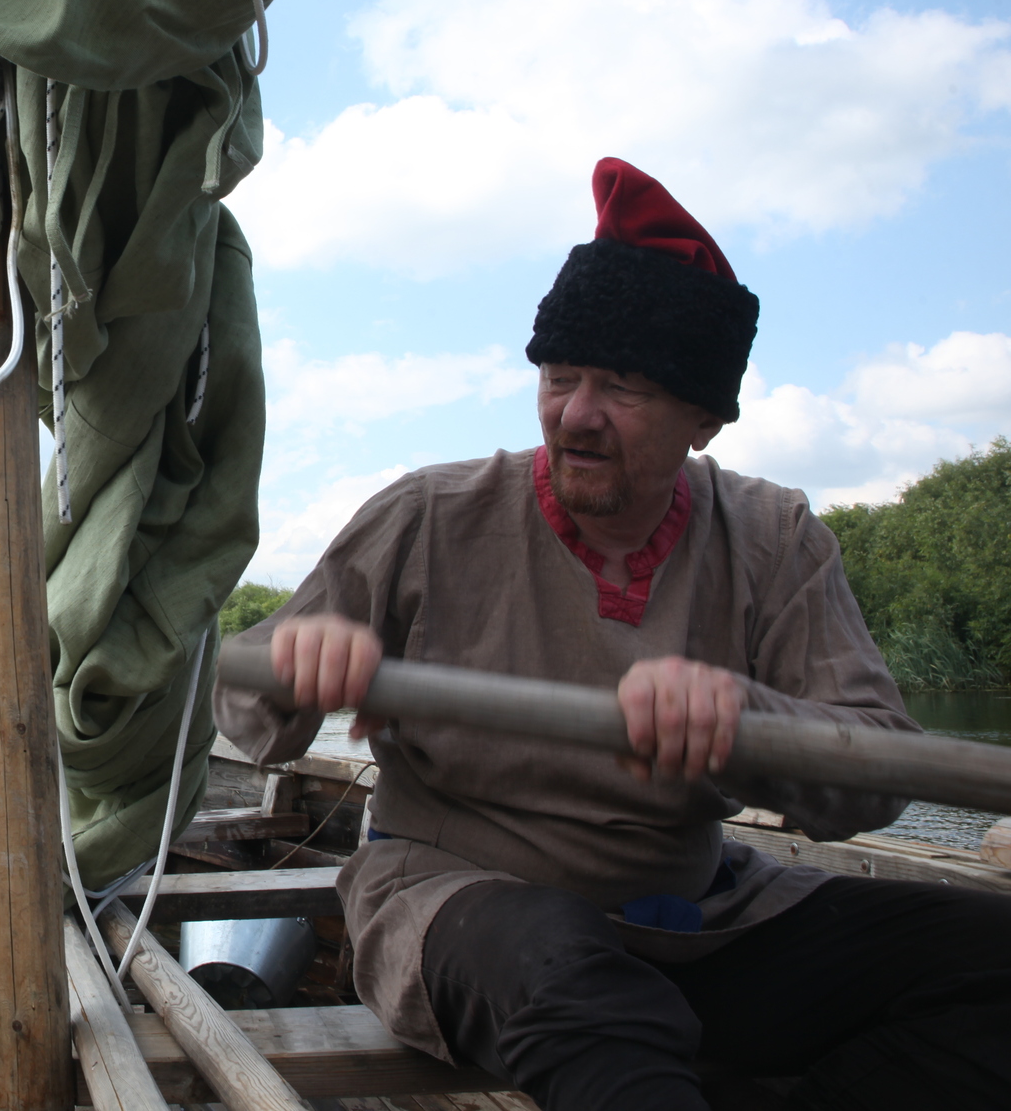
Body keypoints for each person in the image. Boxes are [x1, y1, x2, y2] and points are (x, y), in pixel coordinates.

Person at [214, 161, 1011, 1111]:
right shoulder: (429, 514)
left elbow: (877, 775)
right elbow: (244, 710)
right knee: (575, 978)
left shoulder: (775, 536)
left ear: (703, 418)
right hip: (459, 901)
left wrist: (749, 720)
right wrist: (294, 676)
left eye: (622, 386)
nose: (576, 414)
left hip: (701, 918)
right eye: (560, 377)